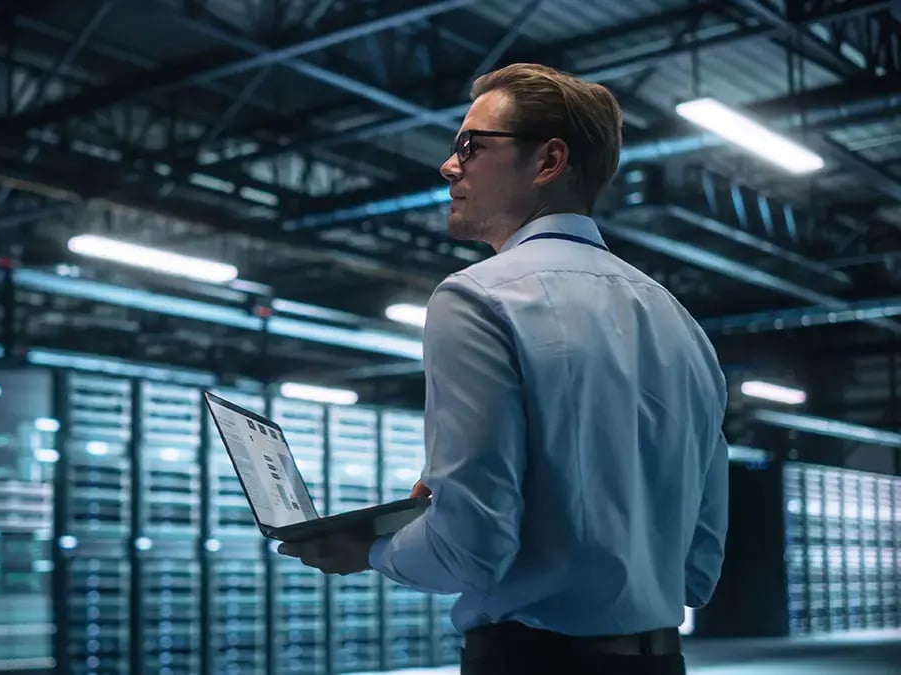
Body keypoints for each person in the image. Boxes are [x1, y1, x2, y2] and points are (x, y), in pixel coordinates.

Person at [277, 63, 729, 675]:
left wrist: (372, 550)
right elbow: (699, 567)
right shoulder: (681, 323)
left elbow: (473, 548)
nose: (448, 165)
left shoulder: (478, 298)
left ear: (547, 161)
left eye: (471, 144)